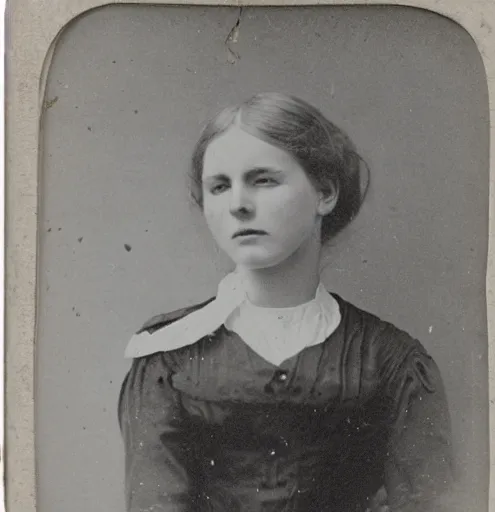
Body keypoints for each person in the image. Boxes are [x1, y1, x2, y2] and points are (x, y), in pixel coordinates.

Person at [117, 92, 455, 512]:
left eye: (263, 180)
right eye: (219, 186)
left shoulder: (390, 362)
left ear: (325, 193)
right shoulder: (167, 360)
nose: (239, 204)